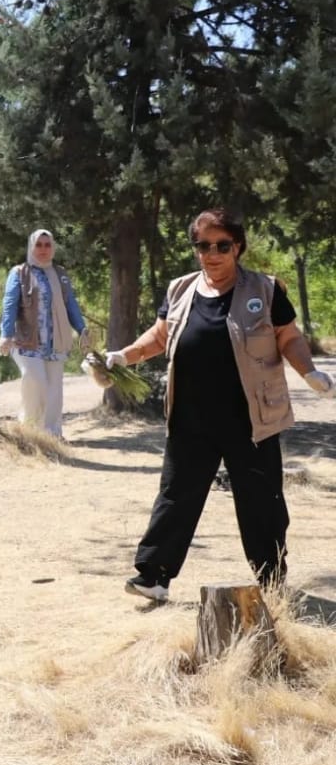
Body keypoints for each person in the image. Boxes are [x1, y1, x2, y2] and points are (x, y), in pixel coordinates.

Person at [108, 208, 333, 602]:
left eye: (222, 245)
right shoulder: (181, 289)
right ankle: (154, 576)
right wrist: (125, 356)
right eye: (204, 245)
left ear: (238, 247)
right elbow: (160, 336)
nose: (212, 253)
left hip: (251, 417)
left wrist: (309, 372)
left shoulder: (264, 290)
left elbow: (288, 337)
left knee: (261, 501)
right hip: (190, 416)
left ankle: (271, 581)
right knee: (176, 494)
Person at [0, 229, 88, 440]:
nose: (43, 250)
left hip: (55, 340)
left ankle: (52, 435)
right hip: (26, 340)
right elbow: (9, 304)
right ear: (31, 247)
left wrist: (82, 329)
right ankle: (29, 429)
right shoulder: (19, 273)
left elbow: (70, 305)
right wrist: (5, 333)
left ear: (53, 248)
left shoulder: (60, 274)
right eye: (39, 245)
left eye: (47, 245)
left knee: (55, 389)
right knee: (34, 380)